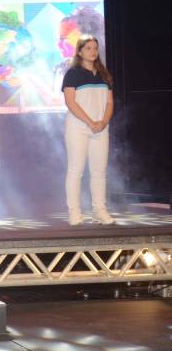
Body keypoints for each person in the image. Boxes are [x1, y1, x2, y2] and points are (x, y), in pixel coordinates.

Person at [62, 35, 115, 226]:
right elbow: (70, 102)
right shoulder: (72, 74)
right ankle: (74, 212)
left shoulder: (104, 74)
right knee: (76, 170)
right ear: (79, 52)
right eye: (88, 48)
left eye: (95, 48)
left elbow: (109, 102)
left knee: (99, 171)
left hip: (101, 128)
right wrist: (90, 122)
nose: (93, 52)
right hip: (78, 128)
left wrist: (103, 122)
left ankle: (99, 210)